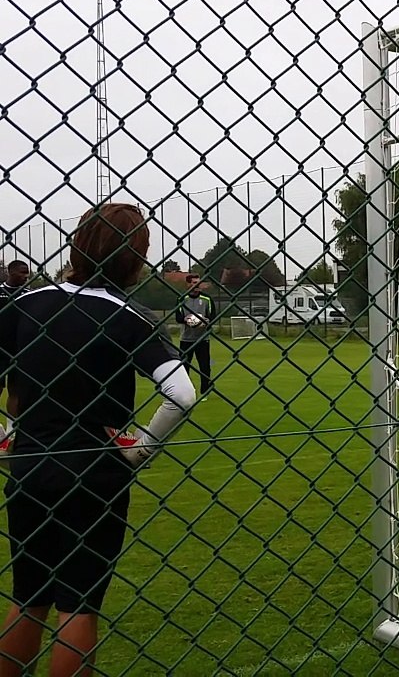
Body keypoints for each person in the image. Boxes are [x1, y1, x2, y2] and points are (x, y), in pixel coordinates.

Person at [0, 202, 197, 677]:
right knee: (79, 605)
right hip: (95, 472)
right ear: (134, 259)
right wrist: (144, 447)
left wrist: (6, 435)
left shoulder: (25, 304)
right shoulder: (131, 316)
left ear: (78, 244)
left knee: (29, 598)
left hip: (30, 466)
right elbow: (182, 393)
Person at [0, 261, 30, 431]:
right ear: (11, 272)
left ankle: (12, 431)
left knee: (15, 391)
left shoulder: (27, 294)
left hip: (18, 350)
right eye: (22, 272)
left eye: (27, 272)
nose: (26, 276)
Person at [176, 273, 215, 399]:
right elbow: (178, 317)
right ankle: (186, 392)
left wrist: (204, 321)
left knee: (204, 366)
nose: (197, 285)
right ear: (188, 284)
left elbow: (213, 316)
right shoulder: (182, 299)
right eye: (193, 283)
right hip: (186, 339)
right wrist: (186, 319)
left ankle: (205, 392)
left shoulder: (207, 299)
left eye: (198, 283)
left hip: (203, 339)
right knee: (184, 366)